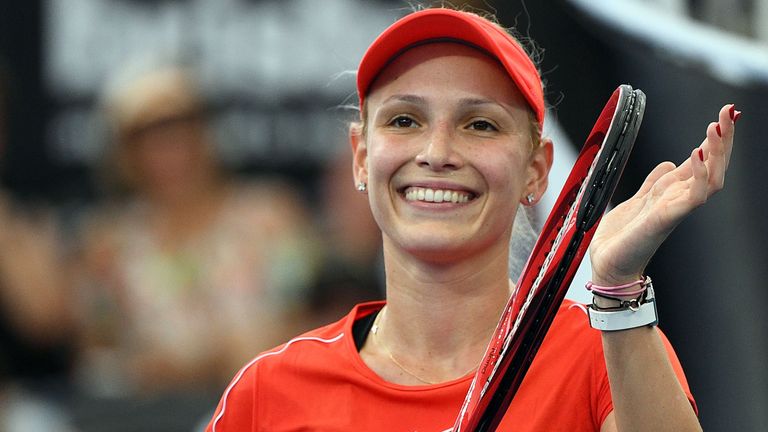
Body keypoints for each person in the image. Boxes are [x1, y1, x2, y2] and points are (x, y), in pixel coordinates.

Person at [206, 7, 737, 431]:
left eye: (480, 124)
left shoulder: (601, 355)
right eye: (405, 120)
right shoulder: (268, 393)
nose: (437, 151)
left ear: (536, 171)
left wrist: (618, 287)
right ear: (361, 156)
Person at [74, 64, 318, 396]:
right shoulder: (109, 245)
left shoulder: (271, 218)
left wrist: (229, 357)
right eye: (150, 141)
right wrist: (144, 369)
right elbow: (96, 359)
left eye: (181, 133)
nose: (170, 153)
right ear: (125, 155)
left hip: (269, 403)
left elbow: (312, 318)